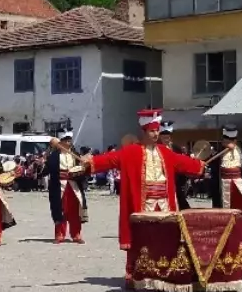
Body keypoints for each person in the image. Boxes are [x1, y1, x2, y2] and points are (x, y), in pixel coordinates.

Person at [79, 109, 206, 259]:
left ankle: (163, 268)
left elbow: (182, 162)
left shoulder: (165, 152)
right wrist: (91, 162)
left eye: (157, 131)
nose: (156, 134)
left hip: (164, 203)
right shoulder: (131, 152)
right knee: (142, 237)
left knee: (165, 236)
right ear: (144, 132)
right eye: (152, 131)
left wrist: (198, 165)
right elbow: (111, 159)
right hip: (143, 203)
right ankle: (137, 271)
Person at [207, 125, 242, 223]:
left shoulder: (240, 152)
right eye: (226, 140)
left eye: (230, 141)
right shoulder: (220, 153)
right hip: (223, 184)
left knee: (241, 207)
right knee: (225, 210)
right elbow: (213, 167)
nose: (227, 143)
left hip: (238, 183)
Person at [45, 130, 88, 244]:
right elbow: (46, 169)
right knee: (60, 210)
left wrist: (84, 166)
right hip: (60, 186)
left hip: (74, 185)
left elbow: (83, 169)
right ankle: (60, 234)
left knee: (75, 211)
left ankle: (76, 234)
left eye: (70, 140)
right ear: (61, 142)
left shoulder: (76, 154)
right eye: (66, 140)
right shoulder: (54, 156)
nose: (69, 141)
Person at [158, 121, 191, 210]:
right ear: (160, 137)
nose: (166, 140)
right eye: (164, 137)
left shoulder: (176, 148)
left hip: (175, 180)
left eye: (167, 137)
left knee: (181, 202)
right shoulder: (156, 148)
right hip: (161, 180)